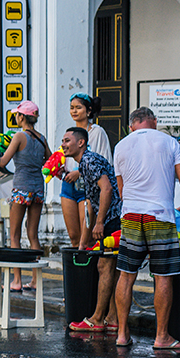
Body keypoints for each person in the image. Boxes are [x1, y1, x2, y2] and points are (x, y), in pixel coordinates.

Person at [113, 107, 180, 350]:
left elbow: (121, 192)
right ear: (153, 121)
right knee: (162, 276)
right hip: (160, 217)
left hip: (130, 215)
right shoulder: (170, 142)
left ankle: (122, 333)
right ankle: (162, 337)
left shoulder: (120, 146)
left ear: (132, 125)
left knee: (126, 275)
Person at [62, 127, 123, 332]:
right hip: (111, 218)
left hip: (113, 218)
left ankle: (97, 319)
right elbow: (90, 203)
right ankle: (112, 318)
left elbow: (106, 189)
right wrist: (83, 242)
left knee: (104, 267)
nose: (63, 144)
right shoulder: (84, 163)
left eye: (67, 140)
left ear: (81, 143)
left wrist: (100, 222)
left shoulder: (88, 161)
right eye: (62, 141)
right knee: (111, 270)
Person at [0, 100, 51, 292]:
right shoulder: (42, 138)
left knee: (14, 235)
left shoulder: (19, 136)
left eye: (17, 115)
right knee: (33, 234)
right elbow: (50, 160)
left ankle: (17, 280)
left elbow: (3, 160)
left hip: (21, 187)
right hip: (38, 189)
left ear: (22, 117)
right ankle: (35, 280)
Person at [60, 93, 112, 250]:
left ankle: (90, 272)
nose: (74, 111)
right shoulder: (70, 133)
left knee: (87, 237)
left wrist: (79, 172)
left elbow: (103, 162)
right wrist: (62, 170)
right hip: (68, 186)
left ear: (89, 111)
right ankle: (78, 270)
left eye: (78, 107)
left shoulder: (97, 132)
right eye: (71, 108)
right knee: (74, 237)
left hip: (88, 188)